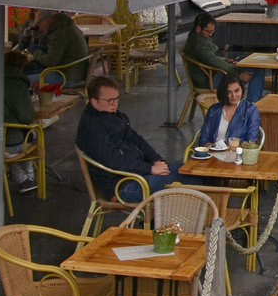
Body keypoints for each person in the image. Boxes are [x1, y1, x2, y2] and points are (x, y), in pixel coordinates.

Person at [76, 75, 176, 204]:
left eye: (117, 98)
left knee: (190, 174)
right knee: (184, 183)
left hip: (137, 175)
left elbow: (137, 140)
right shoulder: (92, 126)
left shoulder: (113, 115)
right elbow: (114, 161)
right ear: (94, 101)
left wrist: (157, 161)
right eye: (110, 100)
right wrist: (150, 169)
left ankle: (157, 222)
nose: (115, 103)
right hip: (121, 186)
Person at [0, 49, 39, 193]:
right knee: (32, 134)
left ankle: (21, 177)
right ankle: (27, 178)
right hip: (7, 143)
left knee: (7, 136)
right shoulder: (17, 84)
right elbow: (26, 117)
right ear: (21, 66)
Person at [183, 13, 263, 101]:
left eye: (212, 31)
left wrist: (225, 60)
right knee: (256, 70)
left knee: (254, 68)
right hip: (209, 80)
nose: (210, 34)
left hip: (211, 74)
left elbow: (211, 58)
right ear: (198, 29)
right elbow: (215, 62)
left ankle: (252, 105)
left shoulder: (194, 37)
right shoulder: (198, 45)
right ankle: (252, 106)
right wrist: (238, 74)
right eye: (208, 31)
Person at [23, 10, 91, 85]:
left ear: (47, 21)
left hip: (67, 77)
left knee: (23, 80)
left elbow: (50, 61)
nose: (39, 27)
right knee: (31, 69)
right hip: (73, 72)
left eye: (39, 23)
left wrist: (36, 52)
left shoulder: (60, 33)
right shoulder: (64, 27)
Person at [195, 77, 261, 152]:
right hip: (213, 154)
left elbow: (251, 142)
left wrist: (229, 149)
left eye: (237, 91)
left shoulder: (250, 110)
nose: (234, 95)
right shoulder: (214, 109)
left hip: (238, 156)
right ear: (223, 93)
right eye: (229, 92)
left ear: (242, 90)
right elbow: (203, 139)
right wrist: (213, 147)